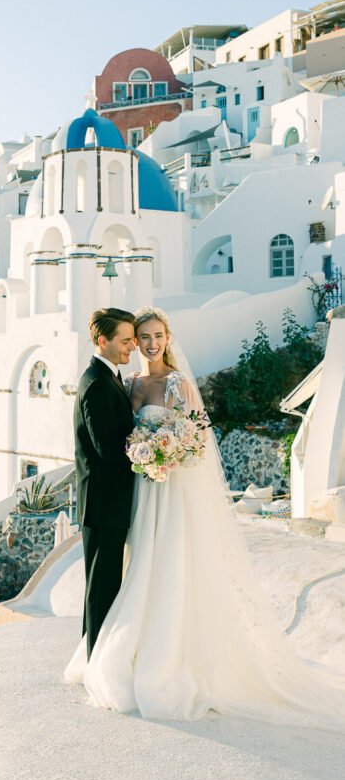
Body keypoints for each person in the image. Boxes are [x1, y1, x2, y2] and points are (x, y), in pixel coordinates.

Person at [65, 305, 345, 727]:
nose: (149, 344)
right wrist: (147, 452)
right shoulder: (128, 382)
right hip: (139, 491)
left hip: (169, 489)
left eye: (157, 335)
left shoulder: (177, 383)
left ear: (167, 338)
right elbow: (114, 439)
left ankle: (163, 656)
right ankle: (113, 654)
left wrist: (168, 450)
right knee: (135, 567)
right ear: (132, 341)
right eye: (141, 337)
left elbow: (196, 439)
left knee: (167, 565)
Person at [73, 307, 136, 659]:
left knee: (103, 587)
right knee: (101, 591)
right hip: (102, 505)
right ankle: (95, 664)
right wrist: (149, 449)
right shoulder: (97, 383)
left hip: (107, 503)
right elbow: (108, 449)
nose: (132, 347)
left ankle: (92, 659)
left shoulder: (109, 375)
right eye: (125, 341)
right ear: (102, 340)